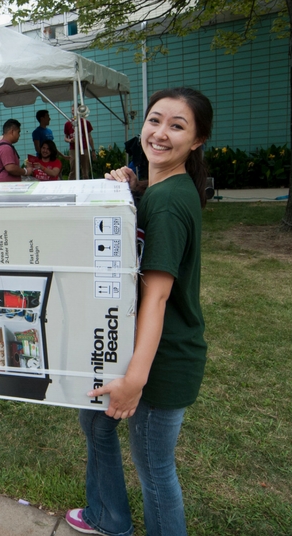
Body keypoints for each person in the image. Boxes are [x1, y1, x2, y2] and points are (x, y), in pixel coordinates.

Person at [65, 87, 212, 536]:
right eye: (155, 120)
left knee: (154, 470)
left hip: (161, 361)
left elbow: (158, 297)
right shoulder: (160, 189)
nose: (161, 133)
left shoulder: (169, 204)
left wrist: (135, 380)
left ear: (197, 140)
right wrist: (131, 187)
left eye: (177, 125)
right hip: (126, 347)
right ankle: (107, 517)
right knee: (93, 421)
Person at [65, 115, 95, 180]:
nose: (73, 112)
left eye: (74, 110)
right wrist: (70, 140)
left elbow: (89, 137)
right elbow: (65, 138)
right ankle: (71, 184)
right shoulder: (68, 123)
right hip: (73, 148)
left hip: (84, 147)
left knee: (85, 170)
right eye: (72, 110)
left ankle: (86, 183)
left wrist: (93, 150)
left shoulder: (85, 122)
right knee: (73, 169)